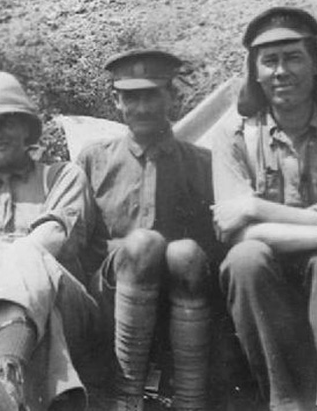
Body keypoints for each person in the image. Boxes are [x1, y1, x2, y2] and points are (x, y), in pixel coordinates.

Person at [212, 7, 317, 411]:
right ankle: (285, 405)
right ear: (254, 72)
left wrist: (255, 208)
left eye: (293, 57)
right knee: (244, 258)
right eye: (269, 61)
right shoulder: (233, 137)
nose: (281, 71)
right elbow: (235, 231)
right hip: (269, 290)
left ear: (316, 66)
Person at [0, 70, 107, 411]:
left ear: (27, 128)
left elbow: (52, 237)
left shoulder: (62, 175)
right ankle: (9, 395)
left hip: (68, 308)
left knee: (27, 251)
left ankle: (7, 383)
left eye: (8, 122)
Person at [76, 50, 220, 411]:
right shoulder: (94, 159)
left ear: (172, 95)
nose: (142, 107)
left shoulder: (202, 164)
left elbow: (214, 244)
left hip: (182, 299)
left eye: (152, 95)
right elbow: (75, 240)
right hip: (110, 297)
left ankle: (190, 398)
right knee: (143, 244)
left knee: (185, 252)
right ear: (116, 101)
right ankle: (127, 396)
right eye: (131, 97)